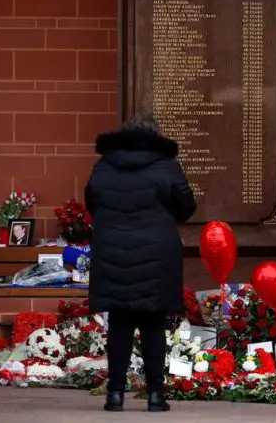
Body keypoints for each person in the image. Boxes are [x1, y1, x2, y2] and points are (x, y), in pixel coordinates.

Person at [85, 113, 196, 413]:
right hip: (156, 253)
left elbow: (91, 202)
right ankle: (156, 396)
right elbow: (186, 206)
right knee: (152, 325)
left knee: (119, 324)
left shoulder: (104, 165)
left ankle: (115, 395)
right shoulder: (166, 165)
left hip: (112, 250)